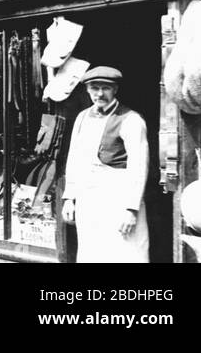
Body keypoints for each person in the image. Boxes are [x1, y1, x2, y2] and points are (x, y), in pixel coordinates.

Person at [61, 66, 149, 263]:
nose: (100, 94)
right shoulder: (82, 117)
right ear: (87, 90)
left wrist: (131, 209)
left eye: (106, 88)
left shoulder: (131, 120)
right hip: (89, 201)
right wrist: (69, 198)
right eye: (94, 88)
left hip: (118, 201)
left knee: (125, 253)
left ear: (115, 89)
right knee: (92, 253)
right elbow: (74, 159)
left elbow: (139, 167)